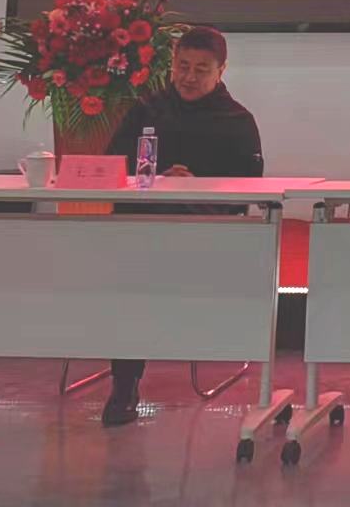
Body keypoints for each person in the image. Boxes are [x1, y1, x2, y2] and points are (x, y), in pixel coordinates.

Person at [98, 25, 264, 427]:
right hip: (142, 231)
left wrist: (198, 185)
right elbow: (111, 166)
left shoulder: (237, 120)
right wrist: (154, 179)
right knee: (129, 285)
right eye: (182, 67)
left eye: (201, 69)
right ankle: (124, 384)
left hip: (206, 236)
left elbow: (251, 188)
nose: (189, 77)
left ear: (221, 71)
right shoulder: (147, 110)